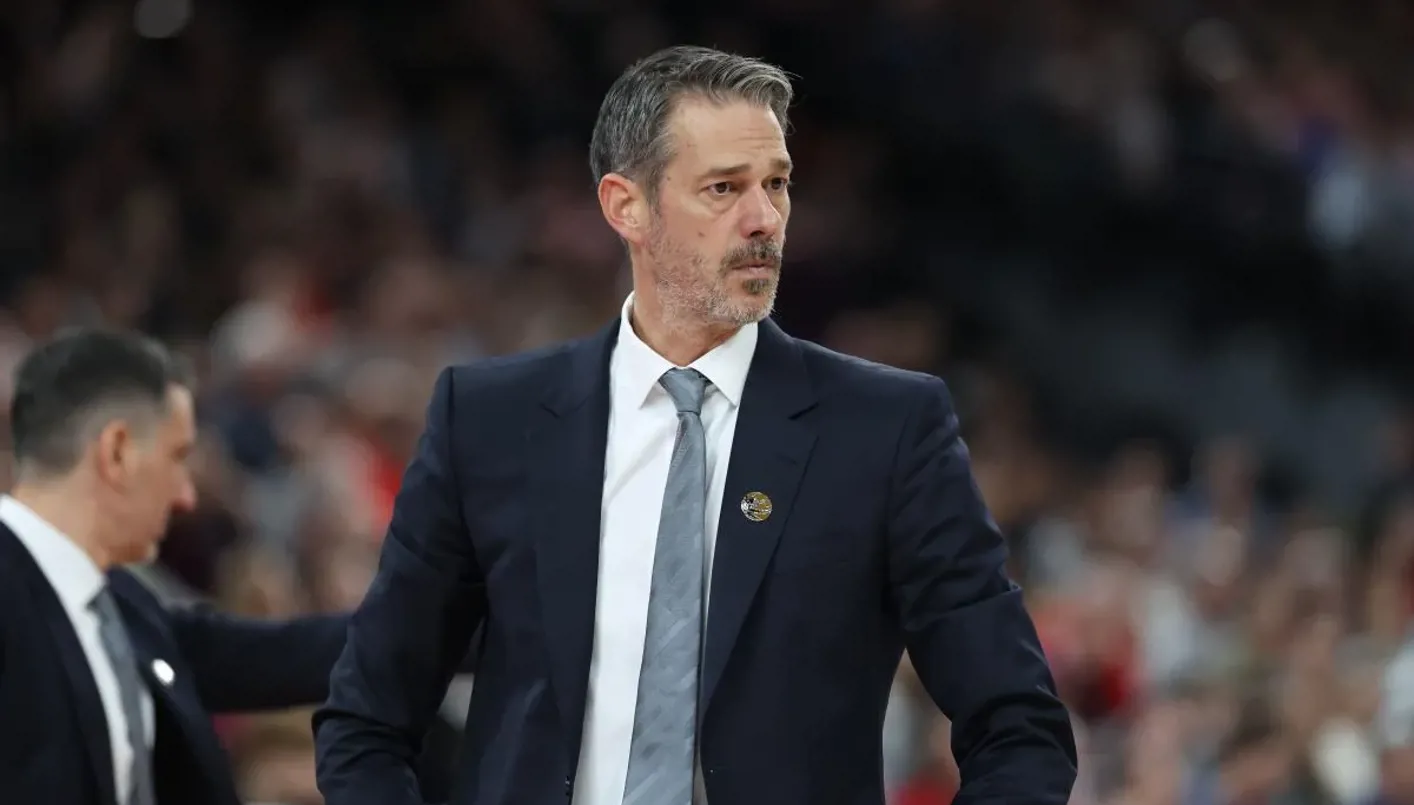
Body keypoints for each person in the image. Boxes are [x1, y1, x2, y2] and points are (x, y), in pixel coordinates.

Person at [314, 45, 1078, 805]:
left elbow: (1018, 726)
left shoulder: (886, 429)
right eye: (724, 188)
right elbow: (367, 717)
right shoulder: (489, 419)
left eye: (776, 184)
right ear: (627, 207)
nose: (764, 219)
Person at [0, 328, 350, 805]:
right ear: (117, 452)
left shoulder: (120, 603)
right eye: (177, 456)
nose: (186, 496)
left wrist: (436, 625)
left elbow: (266, 656)